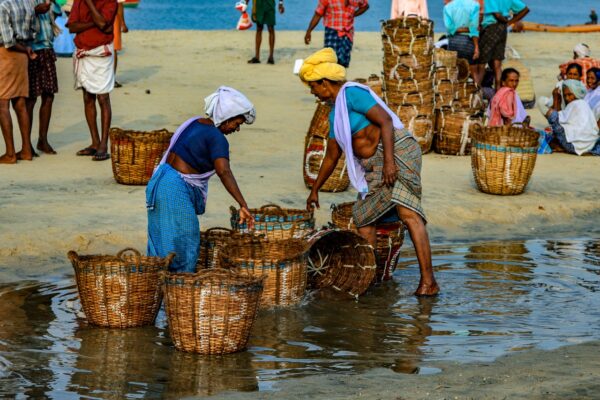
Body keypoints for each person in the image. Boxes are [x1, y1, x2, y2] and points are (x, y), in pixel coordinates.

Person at [298, 48, 439, 296]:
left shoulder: (352, 93)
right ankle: (370, 280)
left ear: (323, 82)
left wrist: (389, 163)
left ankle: (429, 282)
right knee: (363, 217)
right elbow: (332, 155)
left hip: (396, 153)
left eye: (313, 87)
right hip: (377, 164)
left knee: (409, 214)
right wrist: (315, 190)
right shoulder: (335, 114)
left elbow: (385, 120)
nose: (312, 92)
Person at [146, 87, 256, 273]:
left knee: (161, 246)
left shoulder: (194, 123)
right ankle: (178, 294)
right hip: (174, 189)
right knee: (185, 244)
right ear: (226, 116)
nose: (236, 129)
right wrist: (242, 204)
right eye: (236, 123)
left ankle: (160, 297)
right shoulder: (217, 138)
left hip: (160, 182)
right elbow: (224, 171)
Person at [67, 0, 118, 161]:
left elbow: (103, 24)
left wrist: (89, 4)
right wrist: (93, 23)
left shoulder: (110, 2)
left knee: (103, 97)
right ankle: (95, 142)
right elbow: (71, 27)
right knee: (88, 97)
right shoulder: (79, 1)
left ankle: (103, 143)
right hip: (83, 51)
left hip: (101, 53)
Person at [0, 0, 37, 164]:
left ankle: (10, 153)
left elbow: (8, 41)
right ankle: (26, 150)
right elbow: (34, 31)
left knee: (2, 105)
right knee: (20, 103)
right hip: (22, 57)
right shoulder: (27, 2)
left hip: (6, 54)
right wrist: (26, 49)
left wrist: (24, 49)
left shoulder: (3, 5)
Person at [27, 0, 63, 156]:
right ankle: (26, 143)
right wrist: (35, 10)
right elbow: (19, 18)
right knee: (31, 99)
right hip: (31, 50)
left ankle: (43, 139)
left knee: (48, 96)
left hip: (47, 50)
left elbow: (56, 13)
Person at [477, 0, 529, 88]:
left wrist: (506, 21)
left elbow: (496, 14)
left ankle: (476, 90)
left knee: (481, 63)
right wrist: (510, 22)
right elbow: (525, 9)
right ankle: (499, 93)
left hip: (490, 28)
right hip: (502, 30)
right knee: (497, 64)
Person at [540, 79, 600, 156]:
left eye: (570, 94)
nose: (567, 98)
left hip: (574, 145)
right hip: (588, 145)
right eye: (565, 95)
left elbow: (557, 121)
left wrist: (555, 100)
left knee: (551, 114)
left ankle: (561, 147)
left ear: (576, 93)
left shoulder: (576, 104)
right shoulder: (582, 103)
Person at [304, 0, 369, 68]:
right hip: (332, 31)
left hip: (347, 33)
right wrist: (309, 31)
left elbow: (365, 6)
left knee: (343, 61)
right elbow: (318, 14)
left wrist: (353, 14)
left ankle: (338, 77)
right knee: (330, 60)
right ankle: (331, 77)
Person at [443, 0, 480, 78]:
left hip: (453, 41)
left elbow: (449, 28)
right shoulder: (475, 5)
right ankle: (476, 89)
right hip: (469, 42)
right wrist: (476, 47)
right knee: (473, 71)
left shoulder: (447, 7)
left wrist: (458, 29)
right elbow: (474, 28)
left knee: (454, 71)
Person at [246, 0, 284, 64]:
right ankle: (257, 57)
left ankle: (271, 57)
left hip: (270, 4)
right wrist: (245, 2)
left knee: (271, 28)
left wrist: (280, 3)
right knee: (259, 28)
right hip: (258, 4)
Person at [113, 0, 127, 87]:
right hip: (113, 19)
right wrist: (123, 23)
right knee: (113, 49)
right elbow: (119, 6)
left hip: (99, 18)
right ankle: (111, 79)